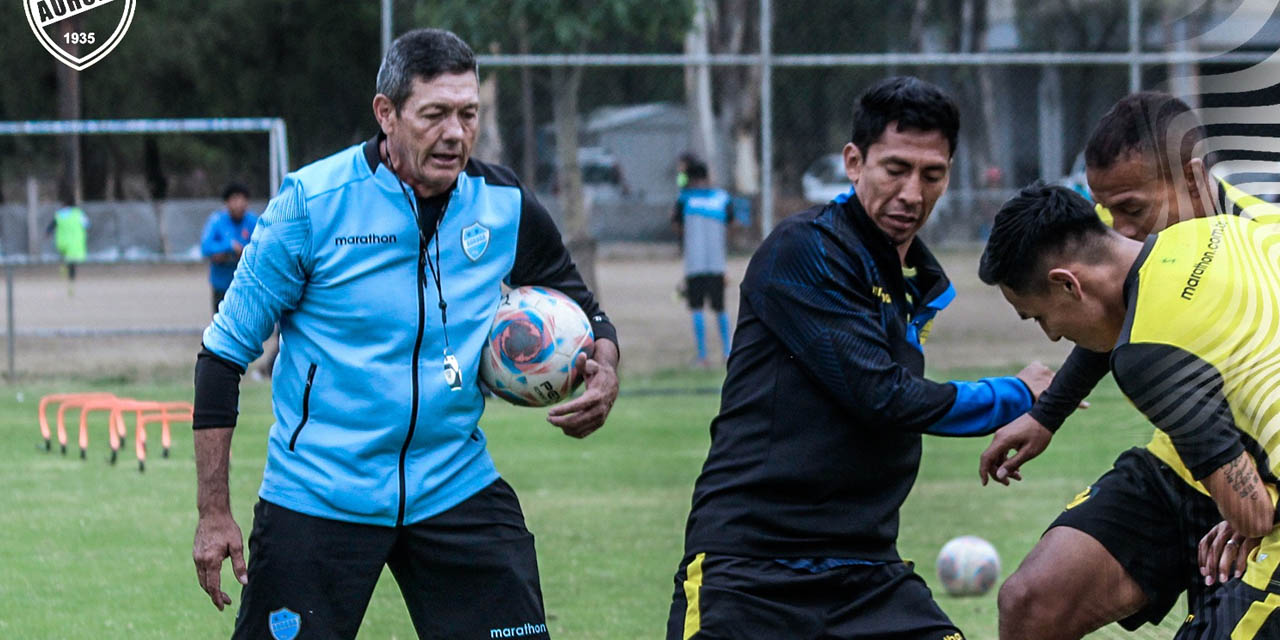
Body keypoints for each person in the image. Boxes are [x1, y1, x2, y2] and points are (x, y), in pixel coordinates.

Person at [191, 28, 620, 639]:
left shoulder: (502, 204)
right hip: (319, 492)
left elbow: (583, 306)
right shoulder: (312, 204)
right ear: (386, 114)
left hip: (453, 482)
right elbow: (221, 356)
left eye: (468, 114)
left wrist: (604, 361)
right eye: (435, 114)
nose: (455, 133)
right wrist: (213, 513)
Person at [666, 76, 1053, 640]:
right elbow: (882, 395)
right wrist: (1016, 396)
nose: (912, 194)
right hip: (752, 569)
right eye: (895, 169)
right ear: (854, 162)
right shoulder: (806, 250)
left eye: (932, 174)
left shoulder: (913, 280)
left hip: (867, 574)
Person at [979, 92, 1280, 639]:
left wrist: (1257, 511)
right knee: (1032, 602)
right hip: (1190, 462)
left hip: (1262, 485)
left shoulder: (1260, 233)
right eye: (1107, 212)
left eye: (1133, 210)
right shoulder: (1163, 253)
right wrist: (1049, 413)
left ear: (1193, 180)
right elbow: (1110, 303)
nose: (1119, 230)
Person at [672, 160, 733, 367]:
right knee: (720, 308)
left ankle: (703, 356)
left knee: (697, 307)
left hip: (694, 264)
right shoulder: (722, 198)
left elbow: (677, 225)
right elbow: (731, 223)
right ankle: (727, 352)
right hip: (717, 263)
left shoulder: (684, 199)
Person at [200, 183, 258, 315]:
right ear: (227, 203)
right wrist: (229, 247)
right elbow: (205, 247)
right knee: (222, 325)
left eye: (243, 199)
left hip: (246, 286)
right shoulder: (217, 221)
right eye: (235, 199)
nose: (239, 204)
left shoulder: (253, 221)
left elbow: (262, 247)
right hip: (222, 285)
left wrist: (245, 252)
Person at [47, 195, 88, 296]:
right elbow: (87, 225)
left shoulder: (60, 214)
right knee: (73, 264)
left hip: (63, 242)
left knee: (65, 259)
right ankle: (71, 284)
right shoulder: (79, 214)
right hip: (75, 243)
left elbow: (51, 226)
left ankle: (64, 268)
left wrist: (47, 233)